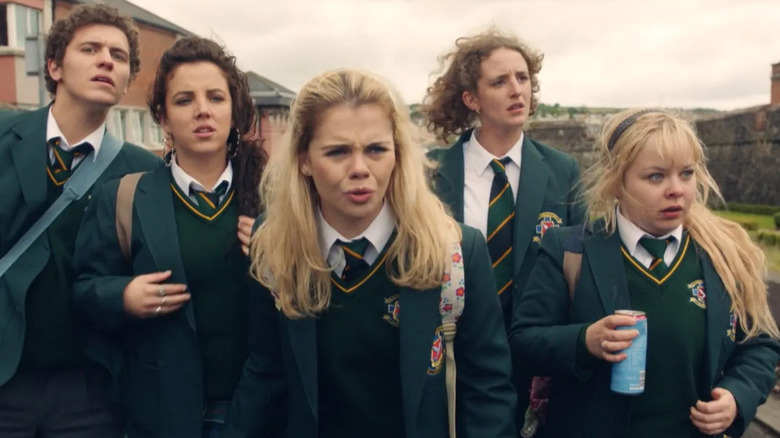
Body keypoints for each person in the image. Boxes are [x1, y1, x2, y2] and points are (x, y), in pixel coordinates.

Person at [224, 68, 516, 438]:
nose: (360, 169)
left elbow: (487, 390)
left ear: (398, 153)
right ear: (304, 160)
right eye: (338, 152)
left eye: (376, 149)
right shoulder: (274, 247)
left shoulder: (454, 252)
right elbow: (265, 374)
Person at [508, 109, 780, 438]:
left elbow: (759, 343)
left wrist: (738, 396)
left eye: (687, 174)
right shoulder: (568, 248)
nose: (676, 189)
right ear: (616, 182)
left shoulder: (724, 254)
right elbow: (523, 342)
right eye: (656, 176)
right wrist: (584, 341)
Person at [71, 36, 264, 438]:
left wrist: (278, 257)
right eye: (184, 100)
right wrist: (121, 297)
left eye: (215, 97)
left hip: (259, 412)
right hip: (160, 415)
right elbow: (83, 290)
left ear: (235, 109)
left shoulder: (273, 201)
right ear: (163, 117)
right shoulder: (124, 197)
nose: (202, 111)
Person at [0, 4, 159, 437]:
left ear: (127, 80)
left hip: (88, 390)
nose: (106, 60)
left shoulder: (142, 172)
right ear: (54, 66)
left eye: (119, 56)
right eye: (90, 49)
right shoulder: (3, 135)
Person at [422, 26, 585, 434]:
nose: (517, 90)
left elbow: (580, 269)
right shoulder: (430, 171)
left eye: (523, 77)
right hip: (451, 354)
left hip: (533, 362)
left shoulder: (563, 172)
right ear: (471, 99)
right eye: (500, 81)